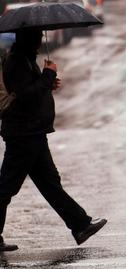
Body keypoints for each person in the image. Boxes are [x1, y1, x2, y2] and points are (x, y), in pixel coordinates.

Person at [0, 28, 107, 252]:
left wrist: (48, 82)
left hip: (34, 132)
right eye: (37, 36)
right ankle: (80, 224)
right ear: (29, 39)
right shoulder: (16, 61)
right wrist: (47, 75)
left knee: (50, 183)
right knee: (6, 188)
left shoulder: (26, 59)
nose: (40, 40)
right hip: (23, 134)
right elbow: (25, 95)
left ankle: (80, 225)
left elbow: (31, 91)